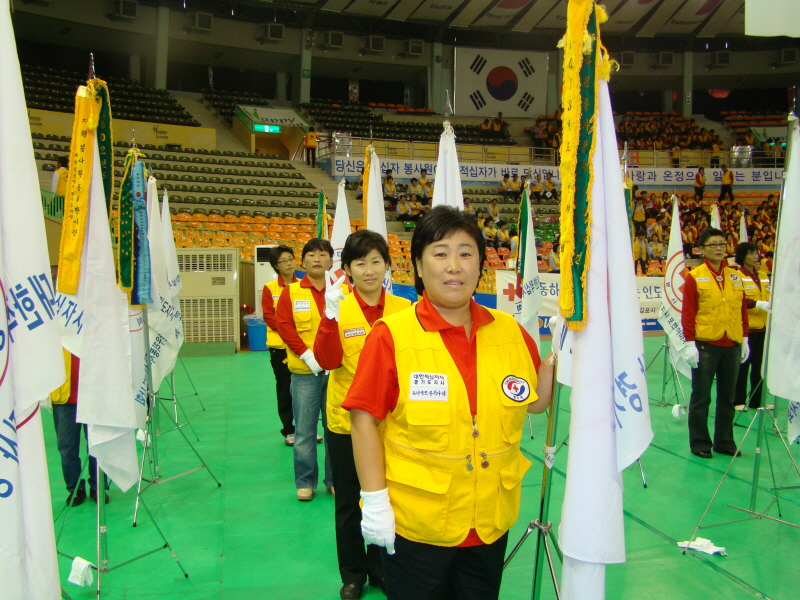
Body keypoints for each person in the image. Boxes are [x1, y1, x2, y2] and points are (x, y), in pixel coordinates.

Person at [343, 206, 554, 600]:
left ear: (480, 265)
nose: (454, 265)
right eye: (440, 253)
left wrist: (563, 353)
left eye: (466, 253)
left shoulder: (509, 332)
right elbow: (363, 420)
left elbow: (534, 402)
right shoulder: (392, 336)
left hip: (489, 520)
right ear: (419, 268)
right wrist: (374, 502)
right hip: (419, 525)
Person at [315, 230, 412, 600]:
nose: (369, 270)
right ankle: (353, 572)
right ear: (347, 269)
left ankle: (382, 568)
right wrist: (328, 319)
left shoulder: (404, 309)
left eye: (376, 261)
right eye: (360, 263)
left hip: (393, 423)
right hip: (346, 423)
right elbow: (327, 361)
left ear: (387, 265)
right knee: (349, 501)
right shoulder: (340, 308)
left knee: (390, 496)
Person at [276, 238, 344, 500]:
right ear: (302, 262)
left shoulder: (343, 291)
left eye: (323, 254)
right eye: (311, 255)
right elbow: (284, 327)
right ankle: (305, 482)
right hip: (305, 374)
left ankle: (333, 479)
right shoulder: (291, 292)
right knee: (304, 431)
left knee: (335, 429)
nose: (317, 259)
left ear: (331, 261)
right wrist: (307, 355)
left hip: (337, 373)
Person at [681, 227, 749, 459]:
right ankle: (700, 442)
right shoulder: (695, 276)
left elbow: (741, 309)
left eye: (722, 244)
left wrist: (745, 337)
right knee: (701, 397)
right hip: (706, 344)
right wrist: (689, 342)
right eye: (713, 244)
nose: (719, 248)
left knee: (727, 397)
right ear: (701, 249)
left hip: (731, 342)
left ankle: (725, 442)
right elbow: (688, 312)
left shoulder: (735, 276)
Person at [51, 350, 105, 505]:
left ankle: (98, 487)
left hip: (94, 396)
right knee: (66, 447)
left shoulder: (97, 326)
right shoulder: (57, 327)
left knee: (98, 444)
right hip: (64, 398)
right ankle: (75, 489)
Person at [262, 245, 298, 446]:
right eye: (284, 260)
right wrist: (288, 331)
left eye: (291, 258)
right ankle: (289, 429)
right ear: (276, 265)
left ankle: (304, 429)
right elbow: (269, 316)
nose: (289, 263)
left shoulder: (302, 285)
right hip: (280, 347)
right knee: (285, 388)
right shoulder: (270, 288)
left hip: (301, 347)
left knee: (304, 388)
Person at [734, 242, 770, 410]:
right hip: (746, 328)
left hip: (764, 326)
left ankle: (757, 401)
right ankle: (738, 401)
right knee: (743, 366)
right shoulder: (737, 276)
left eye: (756, 253)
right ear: (743, 257)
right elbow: (738, 300)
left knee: (760, 366)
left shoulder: (763, 275)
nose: (756, 256)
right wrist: (757, 303)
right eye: (751, 253)